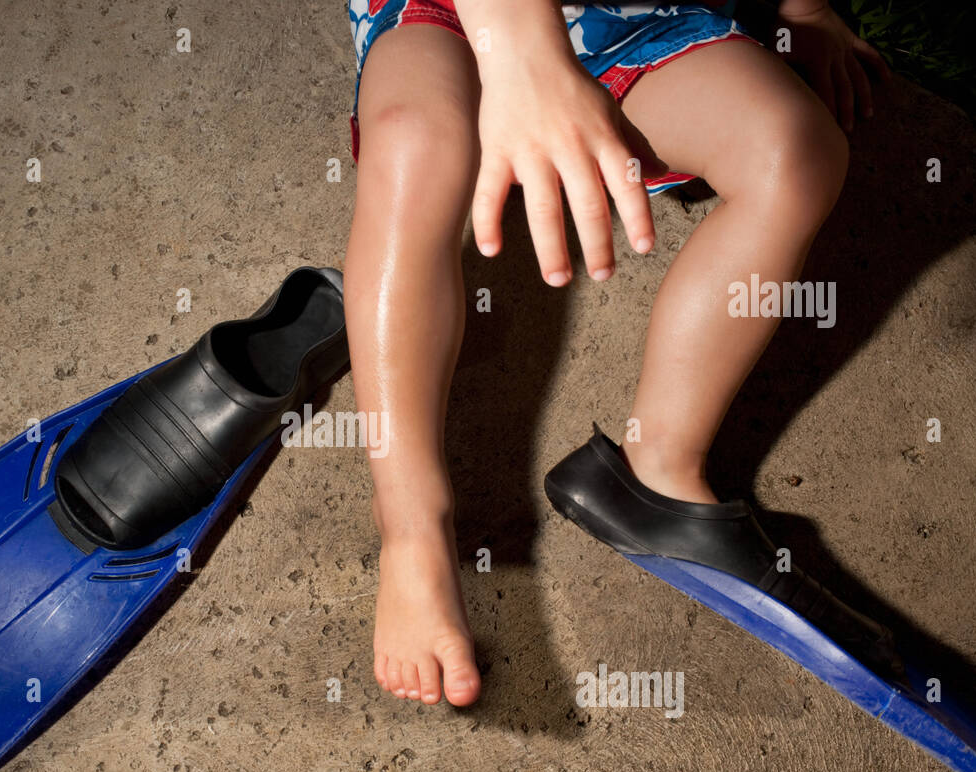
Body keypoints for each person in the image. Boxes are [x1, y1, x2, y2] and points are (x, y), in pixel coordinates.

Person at [343, 0, 890, 705]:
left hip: (627, 18)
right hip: (451, 11)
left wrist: (805, 14)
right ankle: (411, 525)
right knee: (413, 143)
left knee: (794, 148)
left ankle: (658, 470)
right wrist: (521, 58)